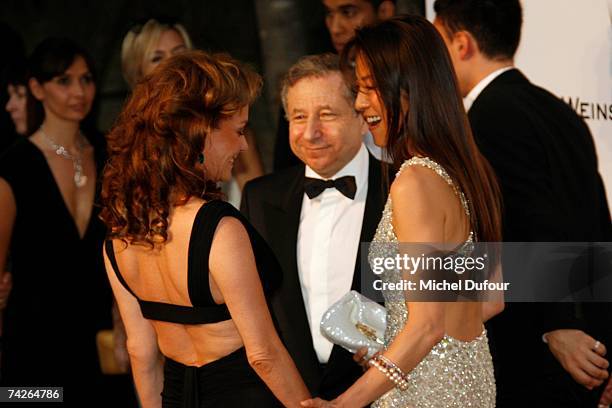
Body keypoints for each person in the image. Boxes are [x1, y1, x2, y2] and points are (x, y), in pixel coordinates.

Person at [301, 14, 504, 408]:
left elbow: (427, 326)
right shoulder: (467, 170)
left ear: (409, 89)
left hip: (426, 392)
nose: (361, 104)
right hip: (468, 383)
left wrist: (343, 404)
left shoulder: (415, 181)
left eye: (369, 88)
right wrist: (390, 340)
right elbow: (491, 299)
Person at [100, 50, 310, 407]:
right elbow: (263, 354)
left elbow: (141, 351)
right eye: (239, 130)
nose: (244, 145)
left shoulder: (121, 233)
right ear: (201, 133)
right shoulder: (218, 227)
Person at [432, 1, 612, 406]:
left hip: (536, 349)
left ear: (461, 44)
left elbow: (531, 224)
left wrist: (557, 325)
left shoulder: (489, 118)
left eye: (438, 41)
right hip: (586, 346)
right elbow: (598, 223)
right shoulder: (559, 112)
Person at [241, 53, 387, 400]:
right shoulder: (260, 199)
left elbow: (467, 298)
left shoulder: (404, 188)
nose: (310, 133)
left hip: (386, 395)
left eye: (326, 115)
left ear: (363, 118)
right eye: (299, 117)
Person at [0, 37, 115, 401]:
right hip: (33, 350)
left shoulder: (114, 156)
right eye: (63, 80)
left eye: (86, 79)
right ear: (36, 87)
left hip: (104, 342)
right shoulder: (13, 167)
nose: (79, 91)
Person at [122, 17, 263, 192]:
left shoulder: (231, 128)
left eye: (179, 53)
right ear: (137, 73)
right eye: (157, 58)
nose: (173, 64)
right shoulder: (135, 142)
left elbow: (258, 201)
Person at [273, 0, 396, 171]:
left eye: (348, 12)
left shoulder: (412, 82)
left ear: (384, 10)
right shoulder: (305, 85)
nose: (335, 28)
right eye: (329, 14)